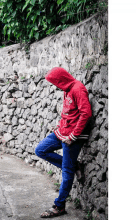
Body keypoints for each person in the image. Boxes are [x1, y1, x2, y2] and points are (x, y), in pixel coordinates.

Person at [35, 67, 92, 218]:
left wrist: (73, 136)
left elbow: (86, 113)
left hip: (73, 137)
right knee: (40, 150)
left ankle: (59, 206)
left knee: (67, 172)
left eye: (56, 82)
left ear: (62, 79)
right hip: (63, 131)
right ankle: (75, 165)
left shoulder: (78, 89)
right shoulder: (67, 89)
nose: (55, 86)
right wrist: (59, 125)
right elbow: (69, 113)